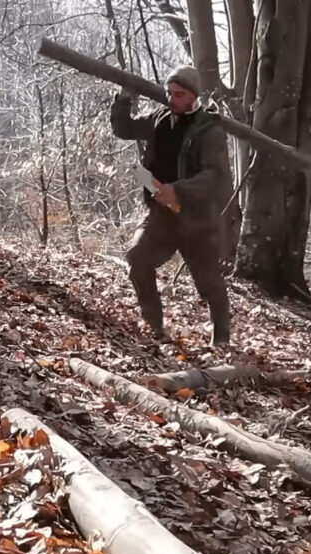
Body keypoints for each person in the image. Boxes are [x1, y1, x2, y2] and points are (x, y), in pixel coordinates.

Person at [111, 65, 233, 347]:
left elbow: (215, 176)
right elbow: (124, 128)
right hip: (160, 215)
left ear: (193, 96)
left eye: (179, 94)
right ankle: (155, 327)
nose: (172, 99)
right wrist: (125, 97)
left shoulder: (209, 129)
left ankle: (222, 338)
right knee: (137, 258)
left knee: (208, 283)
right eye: (169, 93)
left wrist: (176, 190)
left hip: (195, 219)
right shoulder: (159, 117)